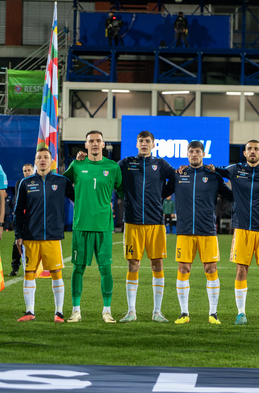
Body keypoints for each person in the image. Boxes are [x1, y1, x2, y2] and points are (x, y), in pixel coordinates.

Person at [208, 140, 259, 326]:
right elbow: (212, 171)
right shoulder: (234, 170)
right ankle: (241, 313)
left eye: (256, 149)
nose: (252, 152)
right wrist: (185, 169)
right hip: (242, 228)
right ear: (244, 153)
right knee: (241, 269)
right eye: (249, 149)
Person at [165, 141, 232, 325]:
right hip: (185, 231)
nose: (194, 154)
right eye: (191, 152)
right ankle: (184, 313)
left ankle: (213, 313)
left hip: (207, 231)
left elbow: (232, 196)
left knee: (210, 269)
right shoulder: (178, 175)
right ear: (187, 155)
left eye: (197, 152)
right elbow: (161, 192)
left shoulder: (213, 176)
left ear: (203, 154)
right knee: (183, 269)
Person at [114, 131, 176, 323]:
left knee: (157, 263)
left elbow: (175, 179)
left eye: (147, 141)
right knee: (133, 264)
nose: (144, 144)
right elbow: (111, 176)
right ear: (136, 144)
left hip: (155, 222)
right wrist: (124, 194)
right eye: (141, 141)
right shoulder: (126, 163)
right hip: (132, 221)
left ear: (153, 144)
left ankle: (157, 311)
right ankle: (131, 311)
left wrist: (161, 193)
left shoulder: (160, 164)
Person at [63, 130, 123, 323]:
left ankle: (107, 311)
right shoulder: (77, 165)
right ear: (86, 145)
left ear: (104, 144)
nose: (95, 144)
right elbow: (62, 185)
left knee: (105, 269)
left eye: (98, 141)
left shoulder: (113, 167)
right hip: (81, 225)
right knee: (78, 268)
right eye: (91, 141)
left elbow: (123, 191)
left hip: (104, 227)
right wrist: (78, 200)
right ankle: (75, 311)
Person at [14, 148, 75, 322]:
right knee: (29, 273)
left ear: (51, 161)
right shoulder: (26, 183)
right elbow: (18, 212)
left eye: (45, 157)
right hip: (30, 237)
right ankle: (29, 312)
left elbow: (79, 198)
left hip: (53, 237)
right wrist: (18, 235)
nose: (42, 160)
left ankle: (59, 313)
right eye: (39, 157)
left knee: (56, 273)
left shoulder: (61, 181)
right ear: (35, 161)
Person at [10, 163, 34, 276]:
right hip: (22, 218)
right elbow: (19, 202)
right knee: (17, 242)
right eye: (25, 171)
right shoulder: (19, 184)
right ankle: (15, 267)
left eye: (29, 170)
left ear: (33, 171)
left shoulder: (37, 183)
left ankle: (38, 267)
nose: (27, 172)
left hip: (34, 218)